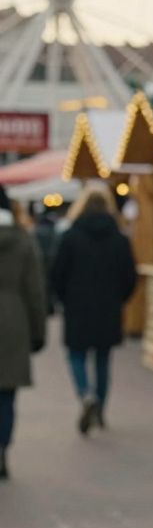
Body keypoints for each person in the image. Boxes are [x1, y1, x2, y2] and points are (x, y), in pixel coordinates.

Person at [50, 183, 138, 436]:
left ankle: (85, 394)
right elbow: (129, 276)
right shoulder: (119, 239)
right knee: (102, 359)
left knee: (76, 355)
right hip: (108, 308)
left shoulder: (70, 236)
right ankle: (99, 406)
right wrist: (119, 299)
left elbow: (57, 274)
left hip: (77, 306)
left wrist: (64, 299)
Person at [0, 185, 47, 479]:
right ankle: (2, 448)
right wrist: (38, 333)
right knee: (6, 393)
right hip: (12, 321)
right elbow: (35, 290)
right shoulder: (22, 240)